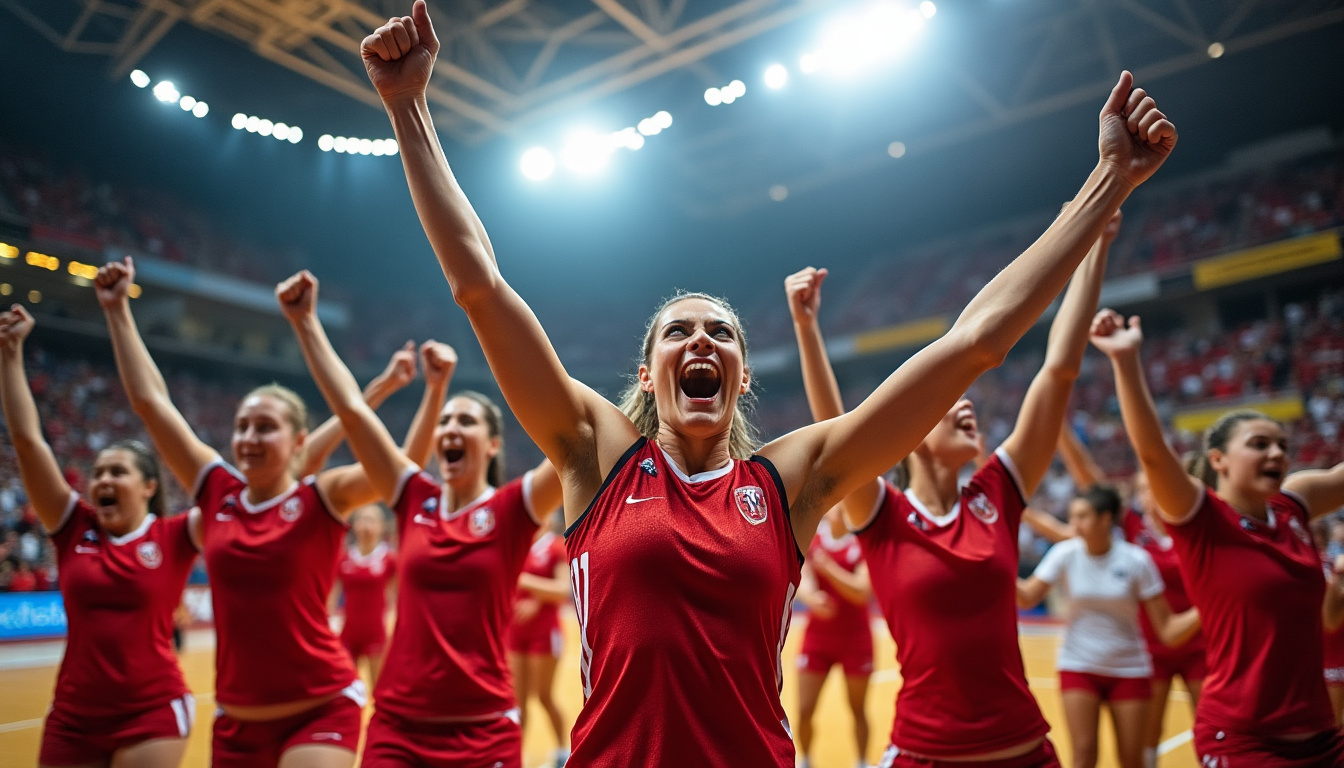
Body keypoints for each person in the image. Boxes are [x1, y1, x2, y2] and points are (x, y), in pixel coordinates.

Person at [361, 4, 1176, 762]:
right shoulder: (594, 452)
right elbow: (481, 286)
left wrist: (1109, 181)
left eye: (721, 332)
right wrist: (409, 109)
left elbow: (972, 345)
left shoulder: (790, 479)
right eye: (678, 330)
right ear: (648, 374)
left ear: (742, 376)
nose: (701, 340)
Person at [785, 199, 1114, 767]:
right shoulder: (881, 512)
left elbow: (1059, 369)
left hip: (1025, 751)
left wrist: (1093, 247)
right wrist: (807, 328)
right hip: (923, 753)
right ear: (909, 436)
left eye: (969, 405)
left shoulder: (997, 493)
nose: (965, 405)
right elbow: (831, 429)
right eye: (945, 406)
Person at [95, 257, 440, 768]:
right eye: (242, 427)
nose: (248, 438)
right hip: (236, 723)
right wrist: (117, 309)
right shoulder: (215, 490)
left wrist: (306, 323)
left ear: (299, 439)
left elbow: (403, 468)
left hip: (321, 710)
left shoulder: (323, 496)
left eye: (264, 427)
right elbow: (152, 403)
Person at [275, 270, 564, 767]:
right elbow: (351, 410)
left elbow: (570, 438)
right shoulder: (414, 498)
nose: (451, 427)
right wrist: (306, 324)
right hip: (397, 729)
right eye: (446, 420)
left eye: (466, 421)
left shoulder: (513, 508)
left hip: (485, 729)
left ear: (493, 444)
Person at [1092, 305, 1344, 766]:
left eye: (1284, 446)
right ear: (1219, 460)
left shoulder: (1294, 506)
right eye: (1259, 444)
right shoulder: (1202, 519)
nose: (1278, 454)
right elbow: (1151, 452)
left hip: (1322, 734)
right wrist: (1125, 362)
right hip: (1243, 738)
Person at [0, 304, 196, 768]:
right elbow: (29, 443)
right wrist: (9, 355)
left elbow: (233, 494)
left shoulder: (176, 535)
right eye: (98, 472)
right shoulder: (74, 529)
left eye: (118, 472)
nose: (103, 479)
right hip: (73, 717)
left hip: (153, 712)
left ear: (149, 486)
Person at [1017, 484, 1200, 768]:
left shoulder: (1136, 560)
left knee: (1131, 758)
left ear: (1105, 520)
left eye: (1082, 516)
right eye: (1072, 516)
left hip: (1128, 668)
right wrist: (994, 563)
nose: (1073, 524)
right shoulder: (1065, 553)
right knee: (1084, 753)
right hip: (1078, 664)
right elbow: (1027, 597)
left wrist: (1210, 605)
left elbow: (1167, 630)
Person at [1056, 429, 1207, 767]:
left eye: (1149, 486)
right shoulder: (1133, 527)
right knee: (1145, 742)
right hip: (1149, 648)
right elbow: (1088, 477)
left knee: (1211, 726)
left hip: (1199, 644)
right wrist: (1060, 431)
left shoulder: (1196, 526)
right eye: (1141, 489)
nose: (1145, 494)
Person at [795, 509, 874, 768]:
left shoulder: (861, 543)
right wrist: (812, 598)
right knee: (804, 710)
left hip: (856, 638)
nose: (836, 510)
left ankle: (862, 762)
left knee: (858, 709)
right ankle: (805, 761)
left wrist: (829, 569)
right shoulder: (814, 541)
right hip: (818, 637)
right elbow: (804, 580)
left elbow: (861, 592)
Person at [507, 510, 572, 768]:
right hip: (515, 631)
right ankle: (514, 755)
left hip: (545, 632)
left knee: (543, 695)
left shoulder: (555, 547)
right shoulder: (518, 544)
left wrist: (530, 589)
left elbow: (562, 589)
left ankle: (561, 751)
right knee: (517, 701)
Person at [332, 505, 398, 687]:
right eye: (362, 519)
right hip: (348, 632)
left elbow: (398, 595)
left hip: (376, 632)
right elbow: (332, 595)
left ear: (381, 526)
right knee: (345, 686)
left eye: (371, 520)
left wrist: (394, 622)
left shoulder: (389, 559)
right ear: (354, 524)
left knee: (379, 688)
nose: (366, 525)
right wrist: (329, 621)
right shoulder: (344, 558)